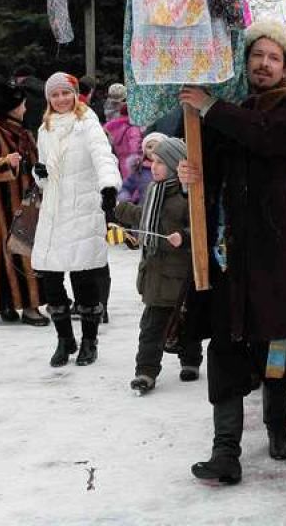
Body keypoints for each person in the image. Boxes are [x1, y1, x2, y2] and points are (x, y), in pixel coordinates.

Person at [175, 20, 286, 485]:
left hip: (272, 256)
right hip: (228, 254)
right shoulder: (231, 109)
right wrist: (192, 175)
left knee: (276, 349)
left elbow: (265, 138)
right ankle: (226, 450)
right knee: (226, 348)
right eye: (258, 55)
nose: (264, 64)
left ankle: (276, 426)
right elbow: (213, 163)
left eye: (275, 57)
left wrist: (212, 107)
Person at [29, 72, 120, 364]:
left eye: (66, 93)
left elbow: (104, 156)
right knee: (51, 279)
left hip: (82, 208)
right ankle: (64, 339)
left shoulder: (87, 124)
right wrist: (38, 173)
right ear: (48, 99)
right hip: (54, 210)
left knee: (83, 278)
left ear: (75, 94)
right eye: (54, 95)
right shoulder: (45, 128)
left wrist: (108, 186)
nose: (61, 99)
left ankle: (90, 342)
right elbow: (45, 172)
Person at [115, 136, 202, 392]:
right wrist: (121, 210)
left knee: (186, 322)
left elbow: (198, 228)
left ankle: (191, 361)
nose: (153, 167)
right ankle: (145, 372)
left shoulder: (186, 196)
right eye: (152, 161)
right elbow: (145, 219)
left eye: (161, 163)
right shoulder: (154, 191)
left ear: (177, 165)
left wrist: (183, 237)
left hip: (179, 274)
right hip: (154, 271)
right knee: (151, 328)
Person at [0, 79, 48, 325]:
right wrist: (8, 163)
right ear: (12, 107)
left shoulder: (24, 132)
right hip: (0, 207)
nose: (25, 108)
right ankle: (11, 303)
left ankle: (27, 303)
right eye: (22, 104)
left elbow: (35, 163)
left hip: (26, 203)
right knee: (5, 254)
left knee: (25, 250)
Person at [12, 65, 47, 134]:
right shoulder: (46, 86)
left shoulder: (19, 89)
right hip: (44, 124)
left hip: (27, 126)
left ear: (20, 77)